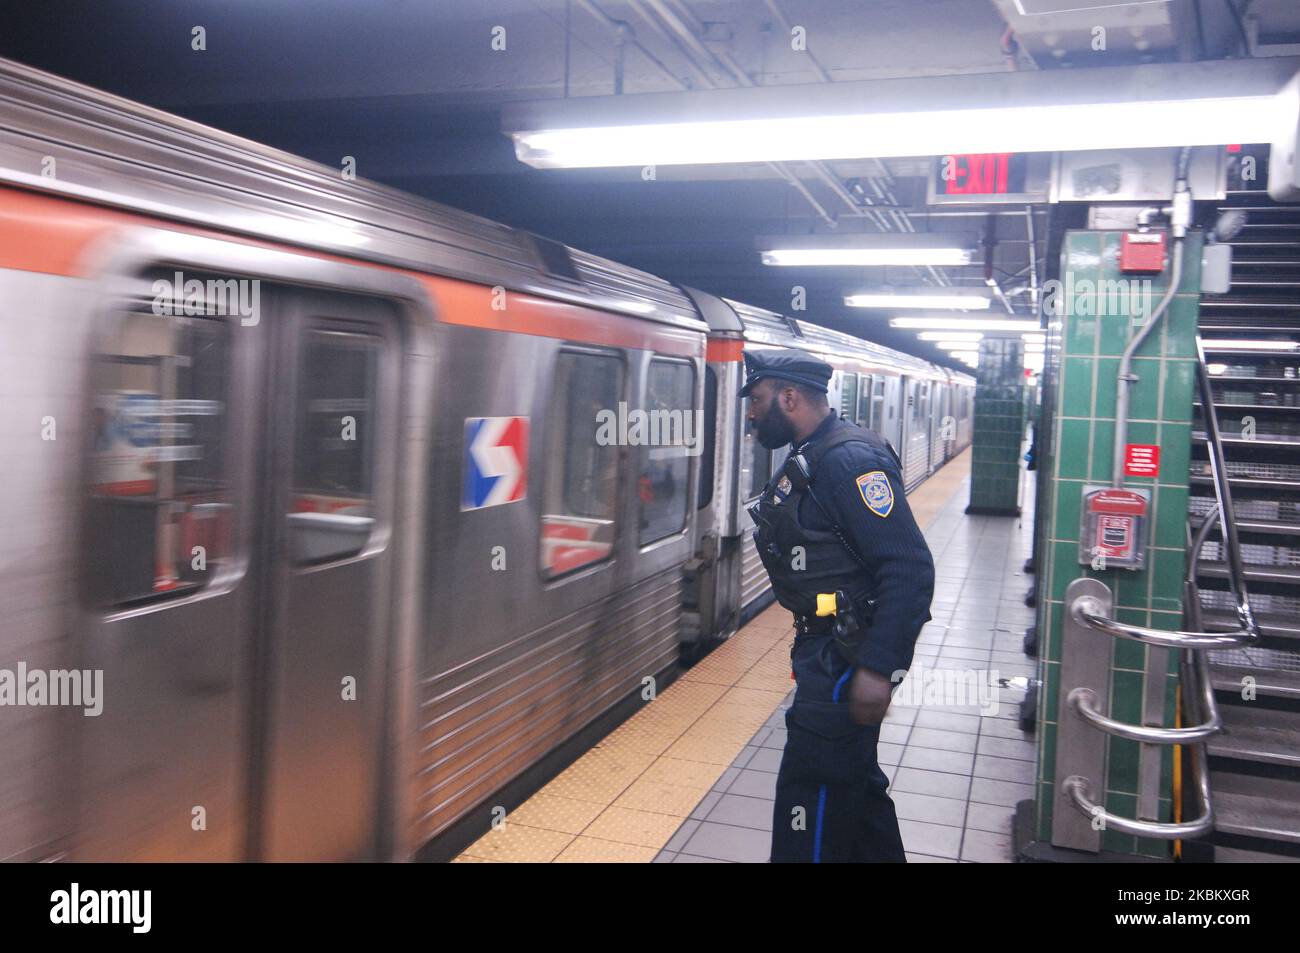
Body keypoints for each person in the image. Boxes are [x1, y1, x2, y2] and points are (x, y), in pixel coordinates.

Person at [740, 347, 935, 863]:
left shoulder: (848, 460)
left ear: (789, 396)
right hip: (825, 647)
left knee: (812, 796)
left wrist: (878, 668)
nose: (752, 412)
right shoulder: (814, 453)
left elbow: (909, 568)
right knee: (857, 790)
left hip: (845, 656)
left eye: (757, 399)